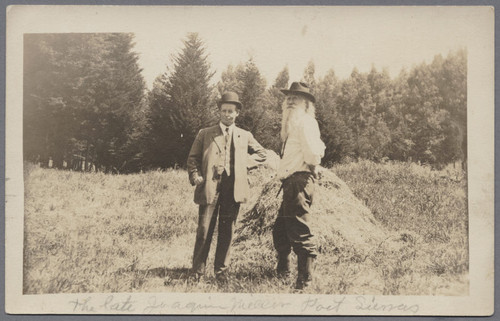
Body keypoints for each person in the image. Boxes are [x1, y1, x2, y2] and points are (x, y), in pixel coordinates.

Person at [187, 91, 267, 284]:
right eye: (224, 111)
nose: (227, 114)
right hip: (210, 188)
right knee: (204, 229)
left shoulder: (244, 135)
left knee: (227, 230)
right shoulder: (205, 134)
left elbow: (262, 154)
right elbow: (192, 159)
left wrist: (242, 162)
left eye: (231, 111)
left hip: (233, 189)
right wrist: (195, 175)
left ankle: (221, 272)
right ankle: (197, 272)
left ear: (237, 113)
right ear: (219, 112)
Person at [272, 82, 325, 290]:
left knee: (300, 230)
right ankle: (283, 272)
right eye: (289, 98)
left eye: (297, 98)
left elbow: (312, 153)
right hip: (290, 183)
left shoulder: (306, 122)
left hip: (299, 182)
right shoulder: (292, 125)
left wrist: (314, 168)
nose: (291, 100)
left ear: (307, 104)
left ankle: (305, 280)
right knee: (281, 229)